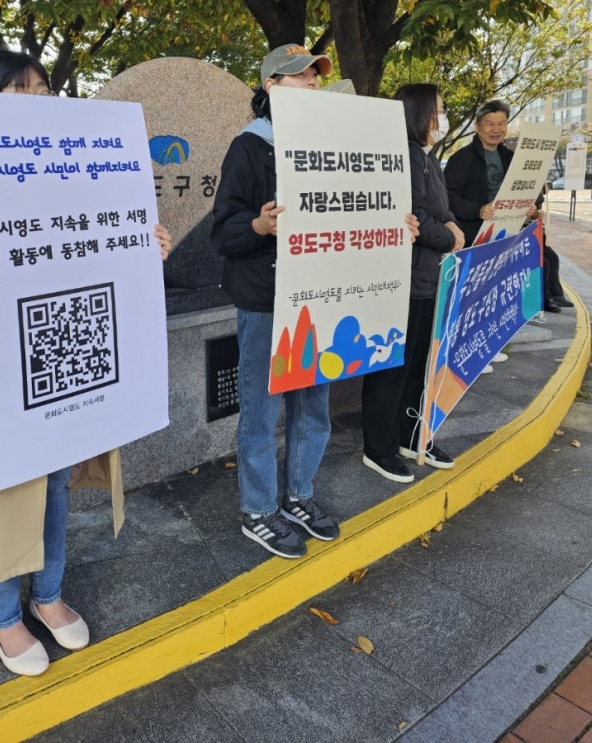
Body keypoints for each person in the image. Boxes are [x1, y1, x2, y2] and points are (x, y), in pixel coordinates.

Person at [0, 50, 172, 677]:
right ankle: (2, 616)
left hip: (60, 351)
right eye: (17, 89)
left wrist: (143, 243)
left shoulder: (77, 166)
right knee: (2, 486)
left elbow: (103, 237)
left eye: (41, 88)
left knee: (55, 479)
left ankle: (48, 595)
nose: (35, 98)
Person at [210, 44, 419, 558]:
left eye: (315, 75)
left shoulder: (338, 145)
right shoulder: (250, 147)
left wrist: (396, 227)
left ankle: (299, 496)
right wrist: (258, 225)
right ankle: (259, 509)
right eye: (299, 76)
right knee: (261, 413)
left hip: (323, 295)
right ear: (270, 87)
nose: (311, 82)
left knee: (313, 407)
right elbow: (223, 232)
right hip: (267, 301)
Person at [360, 84, 465, 483]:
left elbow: (441, 208)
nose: (444, 118)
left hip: (427, 278)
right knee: (391, 369)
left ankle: (411, 436)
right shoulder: (403, 156)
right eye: (439, 109)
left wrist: (453, 225)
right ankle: (379, 449)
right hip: (402, 280)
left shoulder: (427, 156)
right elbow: (414, 216)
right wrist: (449, 237)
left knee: (419, 367)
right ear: (420, 113)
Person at [443, 99, 563, 314]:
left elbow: (528, 190)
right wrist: (478, 209)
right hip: (475, 239)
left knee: (502, 297)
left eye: (502, 123)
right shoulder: (461, 159)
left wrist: (530, 207)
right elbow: (448, 198)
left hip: (508, 236)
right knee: (475, 300)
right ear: (477, 126)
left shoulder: (513, 158)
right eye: (489, 124)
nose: (496, 129)